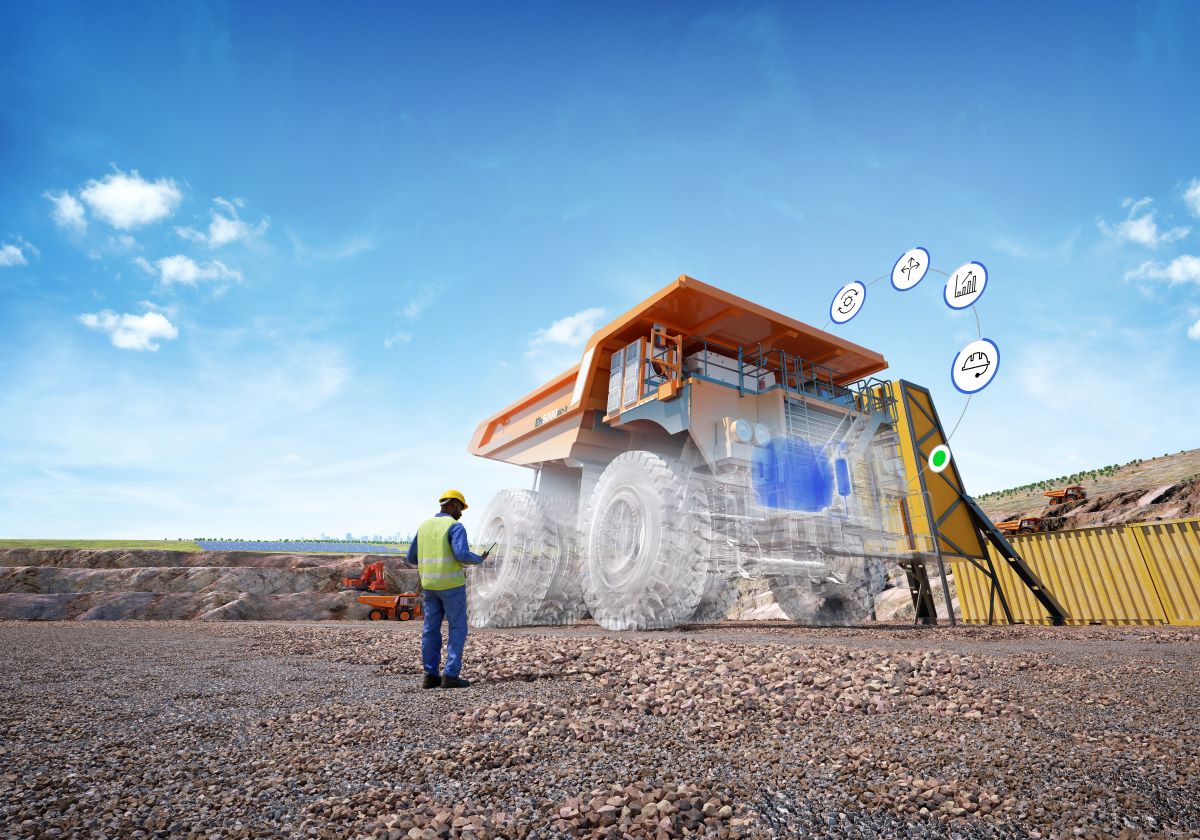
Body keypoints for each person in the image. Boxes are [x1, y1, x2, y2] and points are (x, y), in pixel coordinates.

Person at [405, 489, 490, 688]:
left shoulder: (424, 526)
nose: (460, 513)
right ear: (452, 505)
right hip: (452, 586)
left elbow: (411, 558)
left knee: (430, 629)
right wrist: (479, 559)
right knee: (457, 628)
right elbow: (461, 554)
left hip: (429, 586)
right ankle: (450, 675)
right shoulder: (455, 526)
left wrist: (431, 564)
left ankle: (430, 675)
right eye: (460, 508)